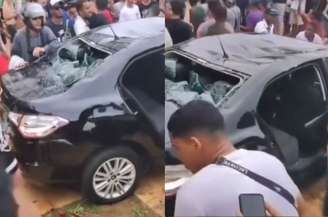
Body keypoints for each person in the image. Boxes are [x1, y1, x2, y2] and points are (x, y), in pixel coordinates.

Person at [167, 100, 303, 217]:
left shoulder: (191, 193)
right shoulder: (270, 160)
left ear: (195, 144)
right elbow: (302, 207)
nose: (178, 156)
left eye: (177, 148)